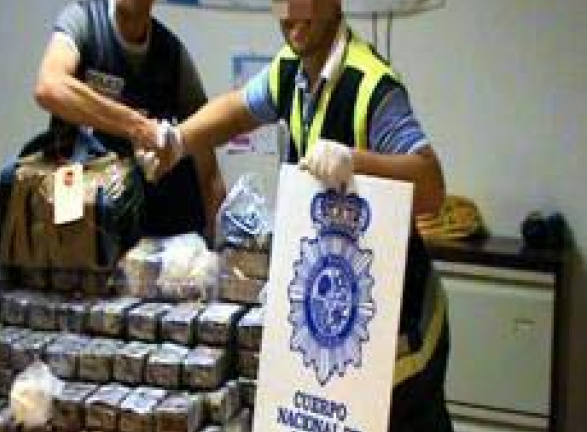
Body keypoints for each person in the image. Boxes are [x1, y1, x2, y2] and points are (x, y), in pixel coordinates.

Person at [138, 0, 452, 430]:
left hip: (401, 335)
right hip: (339, 316)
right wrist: (177, 141)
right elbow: (238, 110)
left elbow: (432, 186)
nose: (290, 13)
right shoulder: (290, 69)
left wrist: (355, 162)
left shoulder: (372, 86)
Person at [33, 0, 225, 239]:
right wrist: (139, 127)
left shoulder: (171, 53)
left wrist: (218, 238)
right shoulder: (84, 21)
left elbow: (206, 157)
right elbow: (50, 87)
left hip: (151, 220)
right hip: (83, 212)